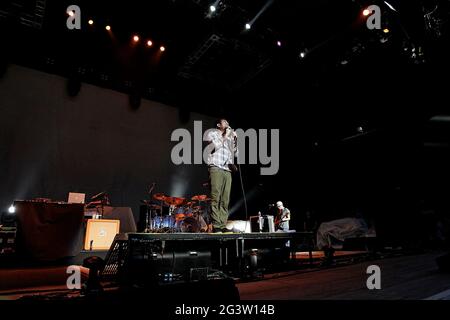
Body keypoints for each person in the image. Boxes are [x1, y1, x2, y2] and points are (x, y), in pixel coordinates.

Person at [206, 119, 238, 233]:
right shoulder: (212, 134)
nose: (227, 123)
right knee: (216, 197)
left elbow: (235, 153)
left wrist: (234, 139)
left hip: (227, 170)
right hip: (216, 167)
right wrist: (226, 136)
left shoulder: (230, 136)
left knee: (225, 199)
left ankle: (223, 224)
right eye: (224, 122)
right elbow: (214, 147)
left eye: (228, 122)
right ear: (218, 125)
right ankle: (216, 225)